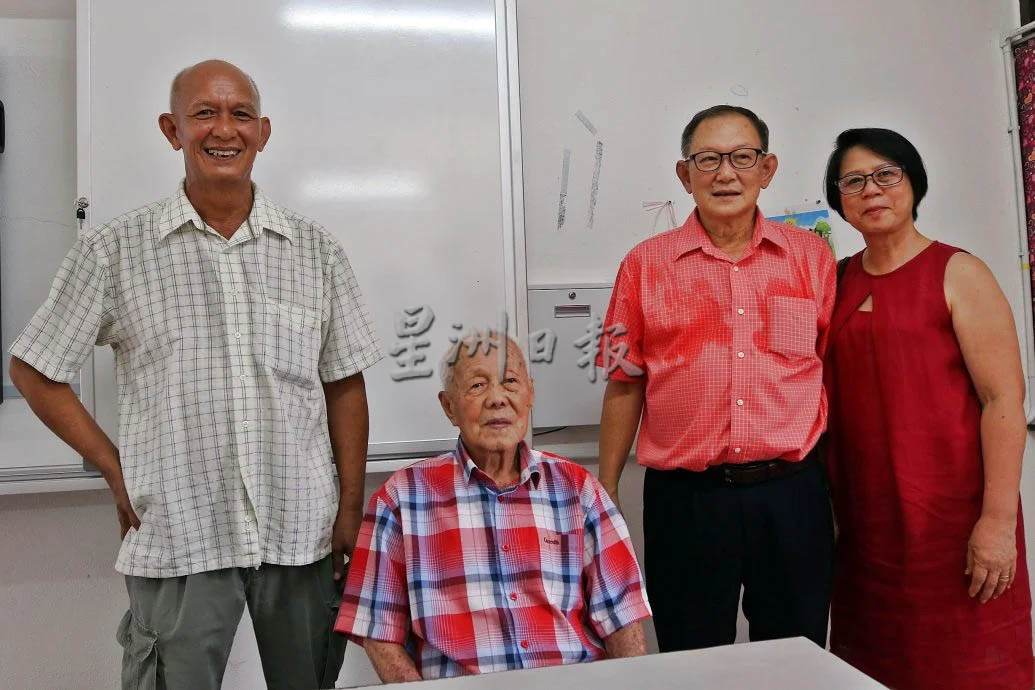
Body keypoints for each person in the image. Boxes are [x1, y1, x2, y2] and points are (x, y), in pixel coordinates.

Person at [8, 60, 382, 690]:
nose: (224, 130)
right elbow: (34, 368)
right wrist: (113, 466)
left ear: (263, 132)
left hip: (301, 526)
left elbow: (343, 383)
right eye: (204, 113)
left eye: (241, 115)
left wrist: (350, 508)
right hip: (180, 529)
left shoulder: (316, 250)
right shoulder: (115, 250)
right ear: (172, 128)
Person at [596, 105, 836, 651]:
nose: (725, 173)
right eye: (708, 159)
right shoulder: (643, 265)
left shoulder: (811, 257)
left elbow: (827, 374)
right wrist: (606, 491)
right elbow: (624, 380)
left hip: (792, 493)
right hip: (687, 501)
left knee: (796, 658)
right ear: (685, 175)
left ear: (767, 169)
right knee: (691, 657)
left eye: (742, 157)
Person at [822, 127, 1032, 689]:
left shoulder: (959, 272)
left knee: (968, 668)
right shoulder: (834, 281)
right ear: (839, 198)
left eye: (886, 174)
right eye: (853, 181)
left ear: (913, 182)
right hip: (866, 530)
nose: (871, 190)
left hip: (955, 524)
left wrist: (997, 523)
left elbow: (1003, 400)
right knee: (872, 669)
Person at [335, 335, 650, 682]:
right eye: (477, 385)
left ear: (530, 394)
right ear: (449, 407)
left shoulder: (579, 490)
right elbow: (378, 633)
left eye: (510, 381)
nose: (497, 398)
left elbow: (624, 621)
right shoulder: (400, 500)